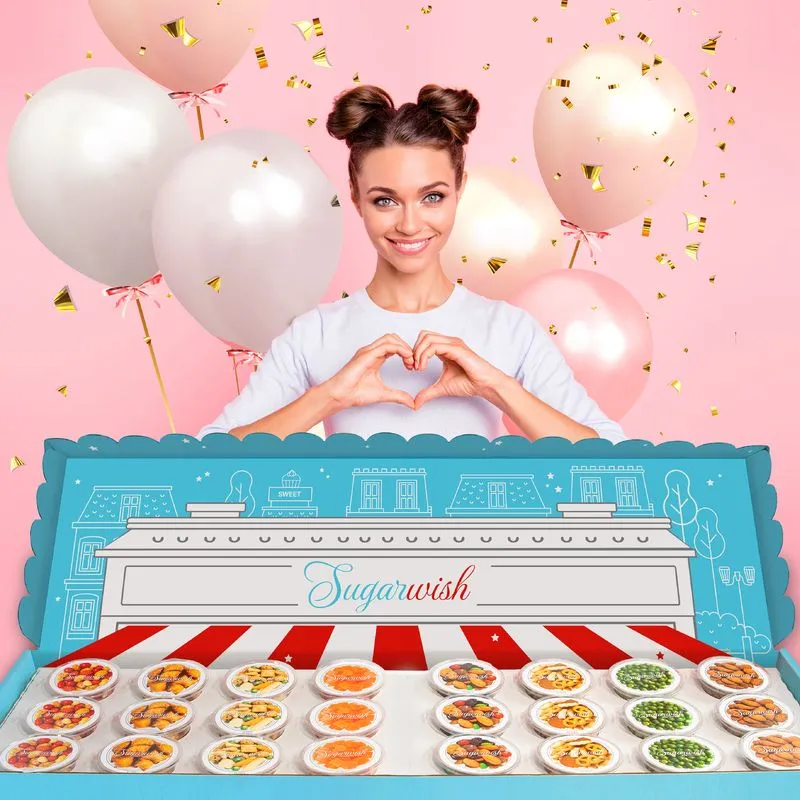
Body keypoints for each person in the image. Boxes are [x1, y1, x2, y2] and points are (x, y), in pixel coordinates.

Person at [197, 84, 626, 444]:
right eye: (385, 200)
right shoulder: (315, 334)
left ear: (460, 189)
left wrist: (498, 388)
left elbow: (615, 458)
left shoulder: (509, 330)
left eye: (432, 197)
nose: (409, 223)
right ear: (355, 198)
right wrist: (328, 397)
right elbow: (205, 460)